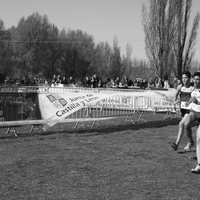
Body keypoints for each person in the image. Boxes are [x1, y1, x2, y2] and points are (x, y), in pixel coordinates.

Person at [171, 71, 195, 151]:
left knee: (181, 124)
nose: (184, 80)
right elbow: (175, 95)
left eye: (185, 78)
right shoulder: (180, 87)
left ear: (189, 78)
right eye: (183, 78)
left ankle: (177, 144)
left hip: (191, 110)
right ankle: (190, 142)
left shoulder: (193, 87)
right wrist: (175, 103)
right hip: (183, 110)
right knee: (186, 126)